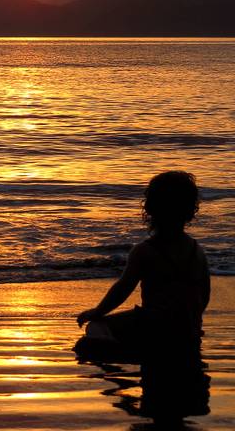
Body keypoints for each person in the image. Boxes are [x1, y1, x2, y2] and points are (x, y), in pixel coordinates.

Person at [76, 170, 210, 424]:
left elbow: (123, 287)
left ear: (149, 207)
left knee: (96, 328)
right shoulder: (197, 250)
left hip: (155, 327)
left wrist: (97, 311)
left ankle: (130, 350)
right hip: (188, 332)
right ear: (191, 210)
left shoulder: (144, 251)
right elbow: (204, 294)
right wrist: (190, 321)